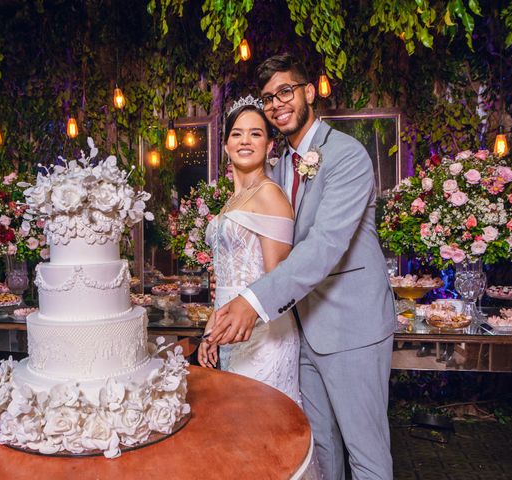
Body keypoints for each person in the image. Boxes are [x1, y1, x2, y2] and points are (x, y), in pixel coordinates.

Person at [206, 53, 397, 480]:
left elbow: (325, 246)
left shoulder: (346, 156)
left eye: (286, 91)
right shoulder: (279, 166)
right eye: (269, 98)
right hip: (301, 328)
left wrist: (252, 302)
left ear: (309, 92)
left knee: (364, 452)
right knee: (319, 446)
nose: (277, 104)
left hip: (351, 327)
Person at [198, 96, 302, 404]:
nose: (245, 140)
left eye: (256, 133)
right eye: (237, 133)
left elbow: (279, 281)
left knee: (262, 427)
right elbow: (227, 276)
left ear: (270, 145)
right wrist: (211, 331)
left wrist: (233, 322)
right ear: (227, 145)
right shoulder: (232, 201)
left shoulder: (270, 195)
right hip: (229, 331)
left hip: (264, 336)